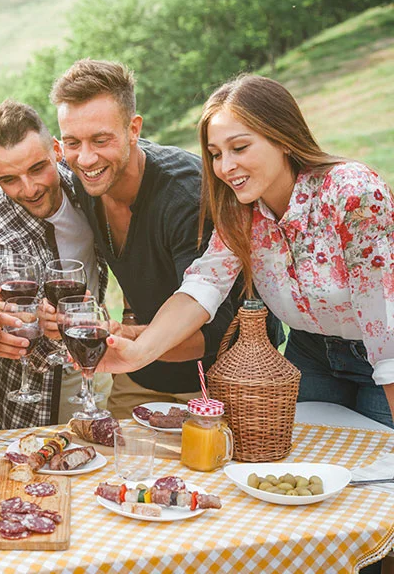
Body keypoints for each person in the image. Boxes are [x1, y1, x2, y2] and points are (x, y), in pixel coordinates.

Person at [98, 74, 394, 429]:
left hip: (383, 355)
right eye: (215, 154)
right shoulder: (241, 211)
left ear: (283, 138)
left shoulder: (351, 192)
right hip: (311, 354)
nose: (225, 167)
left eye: (239, 148)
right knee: (309, 466)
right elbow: (201, 288)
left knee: (381, 472)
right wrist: (136, 355)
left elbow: (385, 324)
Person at [49, 59, 283, 420]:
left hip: (221, 381)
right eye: (72, 142)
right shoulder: (82, 175)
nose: (85, 157)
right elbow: (24, 181)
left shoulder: (187, 199)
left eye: (100, 139)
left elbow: (215, 331)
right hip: (141, 371)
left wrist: (130, 337)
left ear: (133, 128)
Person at [0, 99, 110, 429]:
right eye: (9, 179)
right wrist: (41, 323)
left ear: (57, 151)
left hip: (97, 355)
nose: (29, 188)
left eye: (37, 169)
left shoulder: (86, 183)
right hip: (41, 392)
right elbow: (20, 337)